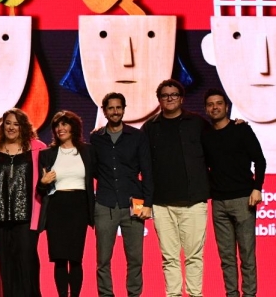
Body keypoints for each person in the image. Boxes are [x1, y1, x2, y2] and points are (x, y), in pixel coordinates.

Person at [142, 79, 211, 297]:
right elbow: (142, 164)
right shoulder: (149, 128)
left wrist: (235, 124)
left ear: (181, 98)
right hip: (162, 204)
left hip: (194, 202)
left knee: (194, 256)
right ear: (159, 100)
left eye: (173, 95)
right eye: (165, 95)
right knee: (169, 258)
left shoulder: (197, 123)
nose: (169, 98)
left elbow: (217, 150)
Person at [203, 88, 266, 297]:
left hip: (243, 200)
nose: (215, 107)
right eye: (211, 104)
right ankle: (231, 294)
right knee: (227, 257)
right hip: (219, 203)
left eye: (219, 103)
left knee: (247, 255)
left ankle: (249, 295)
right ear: (206, 109)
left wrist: (257, 188)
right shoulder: (206, 136)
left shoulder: (241, 130)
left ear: (226, 106)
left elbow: (260, 160)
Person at [90, 92, 153, 297]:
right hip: (105, 204)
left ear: (124, 109)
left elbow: (148, 171)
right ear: (104, 111)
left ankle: (134, 294)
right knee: (103, 260)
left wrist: (147, 203)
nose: (115, 111)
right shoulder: (96, 138)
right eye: (111, 108)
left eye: (119, 107)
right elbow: (92, 170)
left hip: (133, 203)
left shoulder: (137, 136)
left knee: (135, 258)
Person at [0, 108, 45, 297]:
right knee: (6, 267)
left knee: (27, 265)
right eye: (8, 123)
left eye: (16, 124)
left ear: (23, 127)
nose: (11, 127)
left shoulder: (37, 147)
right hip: (0, 218)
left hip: (27, 218)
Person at [38, 110, 94, 297]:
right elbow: (40, 187)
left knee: (76, 258)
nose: (60, 128)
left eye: (64, 124)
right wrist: (42, 182)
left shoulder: (87, 151)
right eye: (57, 125)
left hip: (79, 206)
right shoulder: (47, 154)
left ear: (73, 127)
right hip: (56, 206)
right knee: (60, 259)